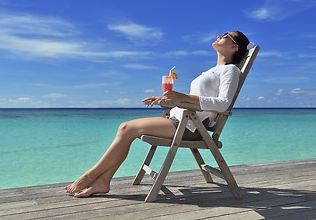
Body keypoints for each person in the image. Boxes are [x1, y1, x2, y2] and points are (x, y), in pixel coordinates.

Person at [65, 30, 251, 198]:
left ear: (234, 47)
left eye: (226, 35)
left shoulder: (230, 70)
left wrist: (182, 97)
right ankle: (103, 181)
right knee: (126, 130)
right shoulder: (213, 70)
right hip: (179, 119)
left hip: (190, 126)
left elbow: (223, 104)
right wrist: (169, 101)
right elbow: (196, 99)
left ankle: (90, 176)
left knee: (126, 128)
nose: (220, 35)